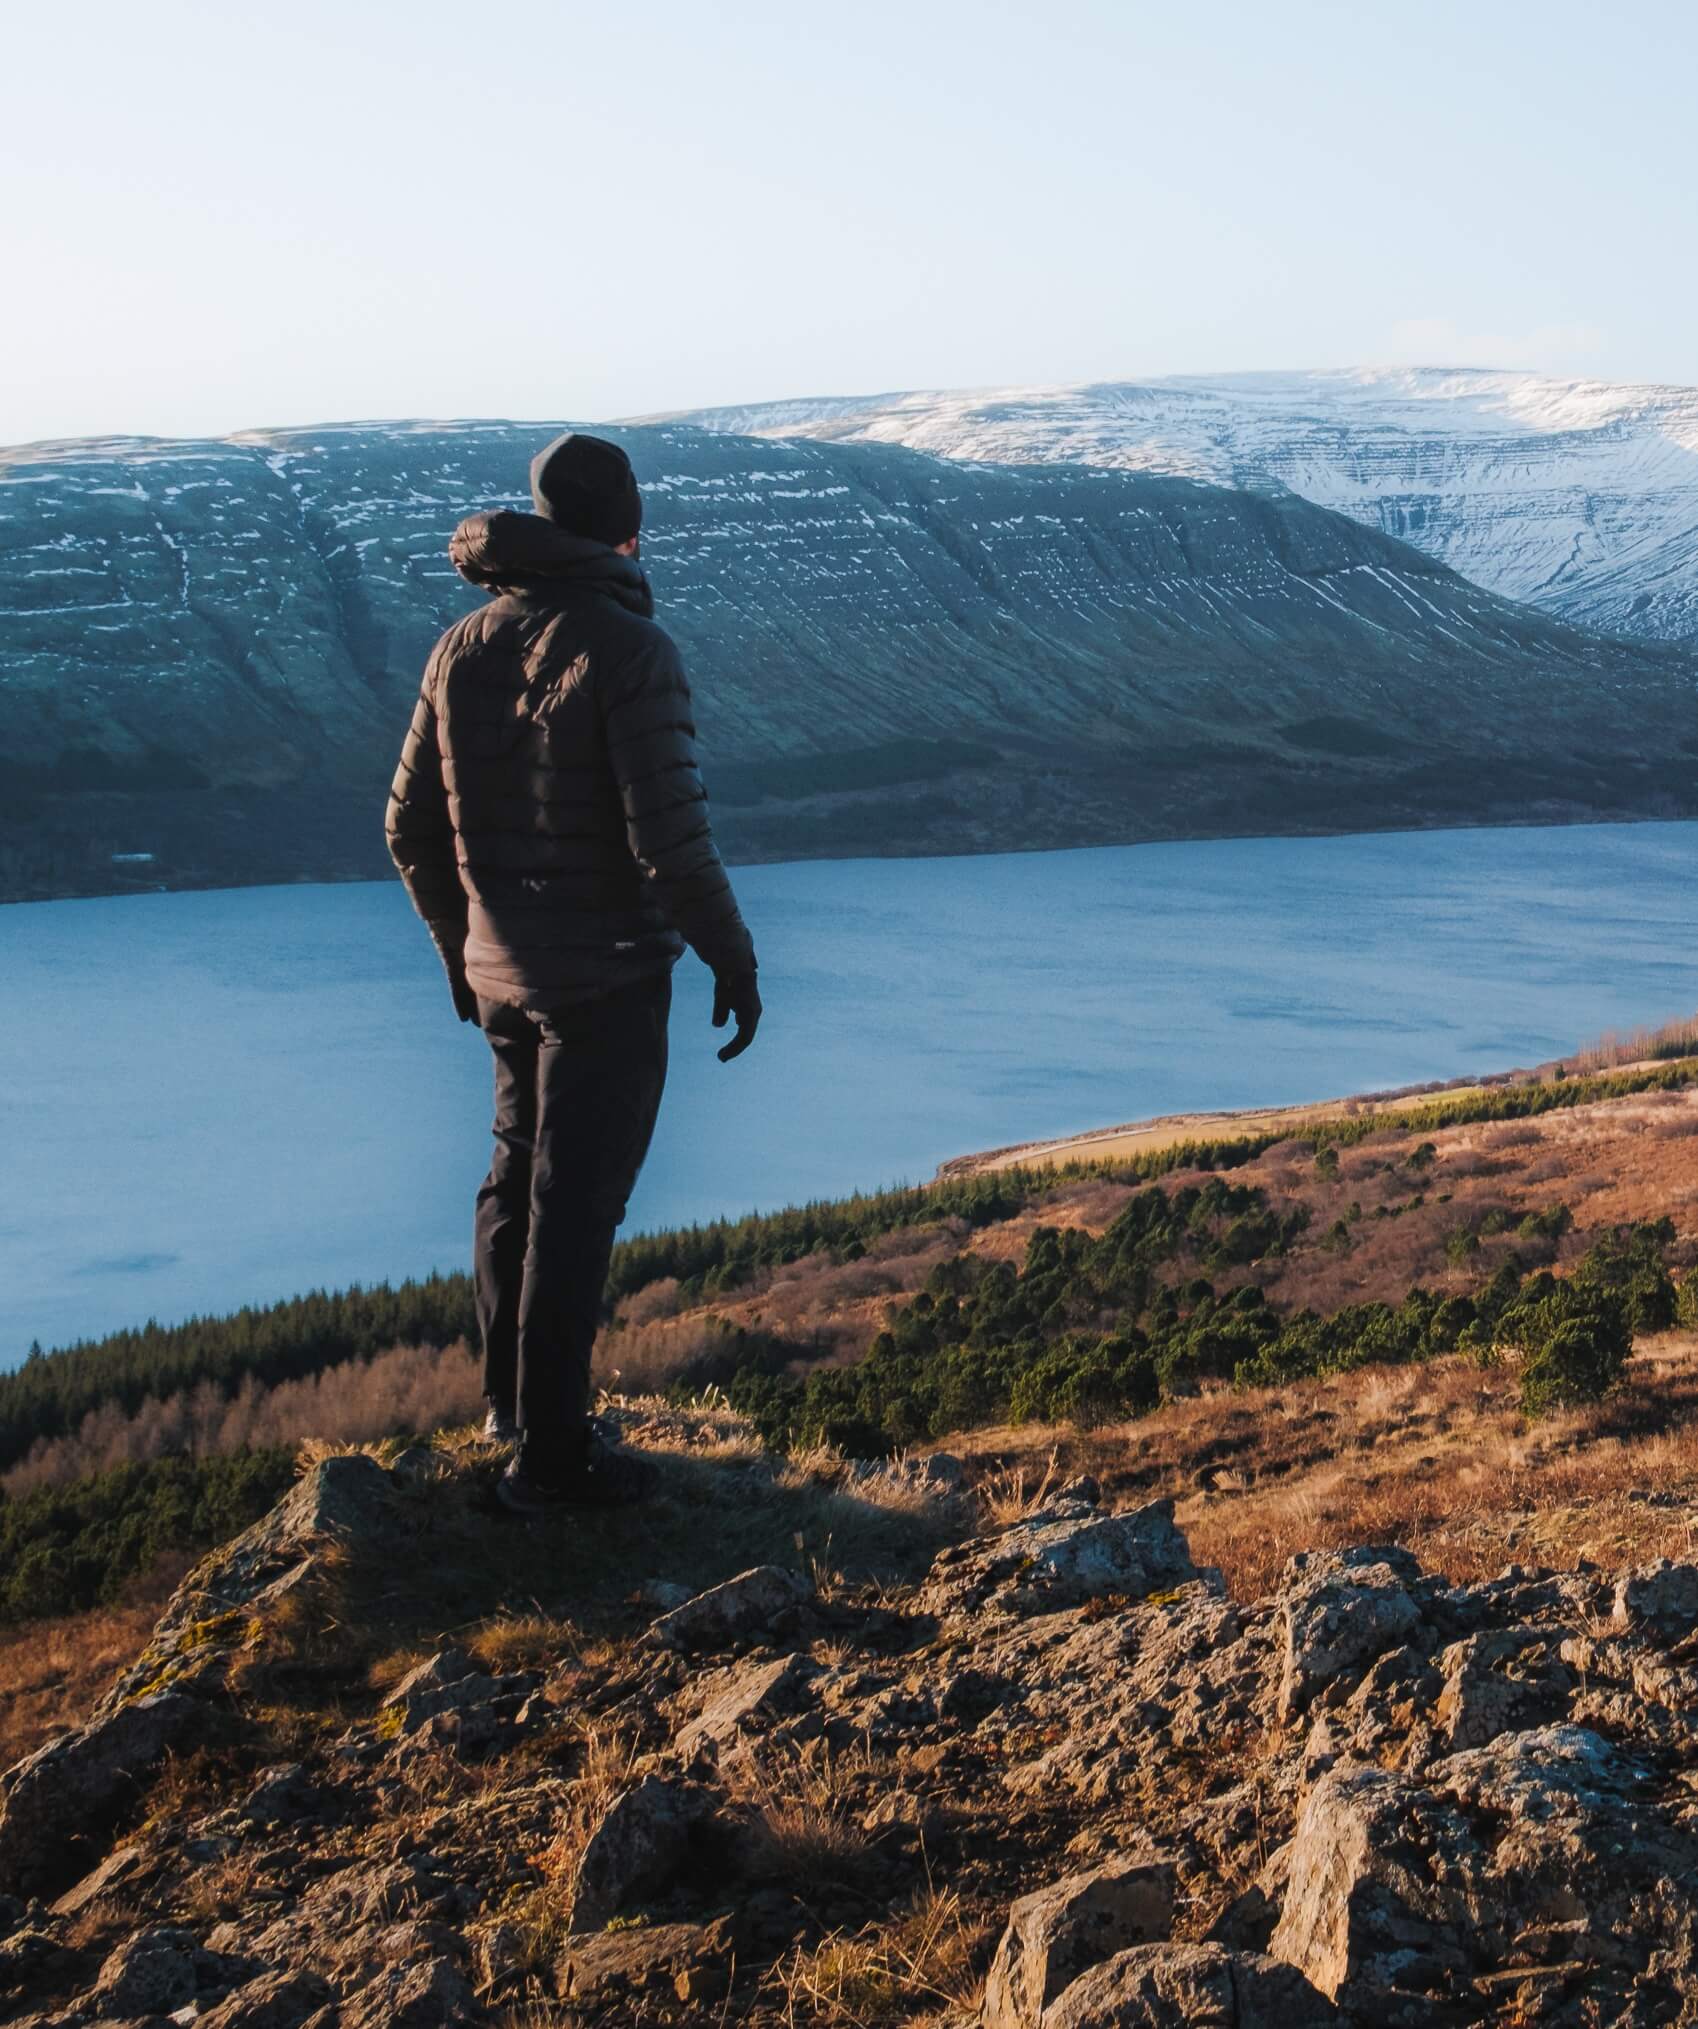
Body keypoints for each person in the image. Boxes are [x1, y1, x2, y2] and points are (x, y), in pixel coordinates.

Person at [385, 432, 761, 1513]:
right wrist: (732, 958)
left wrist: (463, 947)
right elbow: (670, 844)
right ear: (627, 531)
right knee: (575, 1203)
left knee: (513, 1180)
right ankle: (553, 1460)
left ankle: (511, 1410)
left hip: (505, 976)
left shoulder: (460, 645)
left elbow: (406, 827)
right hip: (605, 982)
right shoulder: (633, 652)